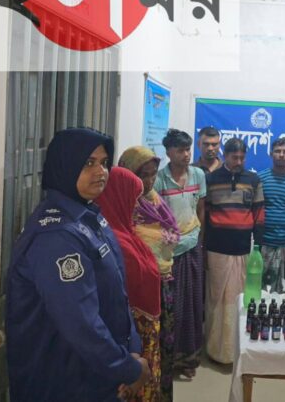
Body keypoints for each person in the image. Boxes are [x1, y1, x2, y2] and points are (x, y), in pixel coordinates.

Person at [6, 128, 150, 402]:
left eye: (104, 162)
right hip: (66, 383)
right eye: (88, 163)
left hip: (98, 374)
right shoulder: (57, 236)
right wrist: (128, 368)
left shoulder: (89, 216)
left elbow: (117, 293)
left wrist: (131, 348)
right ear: (65, 166)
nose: (101, 171)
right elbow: (81, 324)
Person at [118, 146, 180, 402]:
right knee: (142, 349)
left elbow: (172, 233)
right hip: (138, 290)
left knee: (163, 347)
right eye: (143, 174)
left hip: (163, 281)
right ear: (129, 173)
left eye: (154, 174)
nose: (150, 180)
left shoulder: (155, 200)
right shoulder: (122, 205)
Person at [97, 167, 162, 401]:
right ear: (118, 197)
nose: (137, 206)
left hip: (140, 337)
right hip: (131, 343)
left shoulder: (127, 234)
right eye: (133, 199)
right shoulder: (115, 242)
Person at [204, 138, 265, 363]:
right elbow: (205, 213)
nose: (238, 161)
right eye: (234, 157)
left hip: (242, 249)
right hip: (216, 248)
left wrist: (257, 247)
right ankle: (214, 350)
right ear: (225, 155)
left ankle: (234, 351)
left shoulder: (253, 180)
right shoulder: (211, 179)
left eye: (242, 157)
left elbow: (259, 216)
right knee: (216, 299)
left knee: (237, 299)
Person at [154, 129, 206, 379]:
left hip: (193, 246)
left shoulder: (198, 175)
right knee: (172, 304)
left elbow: (201, 209)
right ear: (168, 152)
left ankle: (189, 358)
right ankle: (169, 357)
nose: (186, 155)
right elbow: (154, 216)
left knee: (193, 302)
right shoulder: (159, 179)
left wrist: (199, 239)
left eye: (188, 149)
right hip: (169, 251)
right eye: (180, 150)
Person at [258, 138, 285, 292]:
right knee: (263, 290)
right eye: (277, 151)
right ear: (271, 154)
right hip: (265, 243)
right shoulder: (261, 178)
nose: (281, 155)